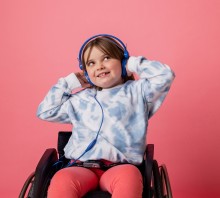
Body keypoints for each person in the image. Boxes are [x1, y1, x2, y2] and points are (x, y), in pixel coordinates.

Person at [37, 34, 175, 198]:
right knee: (62, 179)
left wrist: (131, 63)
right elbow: (46, 111)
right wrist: (69, 82)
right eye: (91, 63)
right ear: (86, 72)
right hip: (81, 168)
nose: (100, 66)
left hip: (120, 167)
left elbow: (165, 75)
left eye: (107, 58)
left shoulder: (138, 92)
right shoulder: (81, 99)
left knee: (128, 178)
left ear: (122, 62)